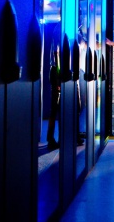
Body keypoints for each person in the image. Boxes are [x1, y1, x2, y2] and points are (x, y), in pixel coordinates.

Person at [46, 22, 61, 150]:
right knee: (55, 107)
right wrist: (59, 77)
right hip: (57, 73)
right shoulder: (61, 29)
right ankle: (51, 139)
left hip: (56, 72)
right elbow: (57, 53)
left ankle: (51, 138)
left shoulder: (58, 28)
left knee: (55, 108)